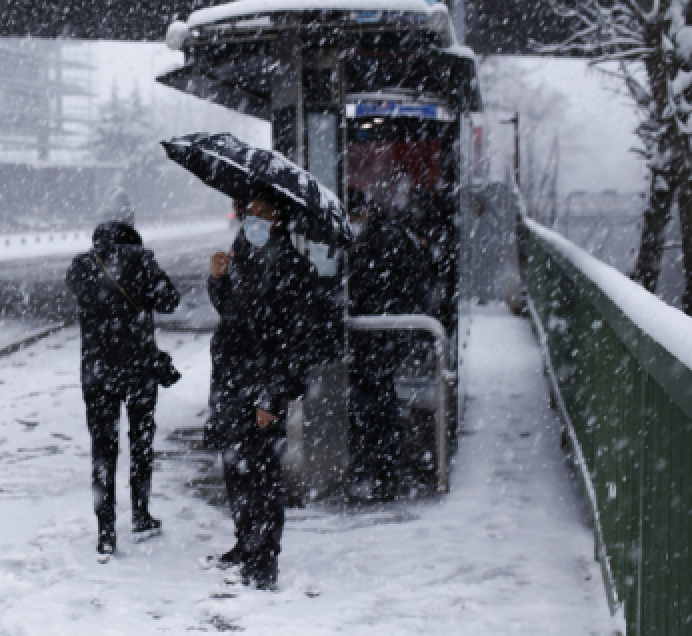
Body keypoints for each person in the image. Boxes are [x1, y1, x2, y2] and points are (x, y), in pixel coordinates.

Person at [206, 192, 337, 589]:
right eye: (250, 211)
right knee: (237, 469)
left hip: (263, 385)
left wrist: (273, 396)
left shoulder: (291, 268)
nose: (254, 219)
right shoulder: (242, 256)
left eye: (264, 212)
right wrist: (218, 279)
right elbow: (230, 313)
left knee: (262, 474)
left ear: (279, 218)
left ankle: (263, 561)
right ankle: (245, 544)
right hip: (233, 382)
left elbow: (297, 341)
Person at [66, 187, 181, 559]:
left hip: (97, 371)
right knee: (141, 443)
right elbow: (170, 300)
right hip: (138, 369)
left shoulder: (82, 266)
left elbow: (82, 295)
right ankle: (141, 515)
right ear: (130, 224)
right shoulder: (142, 261)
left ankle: (105, 532)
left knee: (103, 450)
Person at [346, 190, 430, 500]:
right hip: (385, 334)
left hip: (378, 334)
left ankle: (378, 469)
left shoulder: (380, 241)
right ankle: (381, 468)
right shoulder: (390, 235)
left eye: (353, 217)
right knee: (378, 398)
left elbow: (370, 287)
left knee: (375, 401)